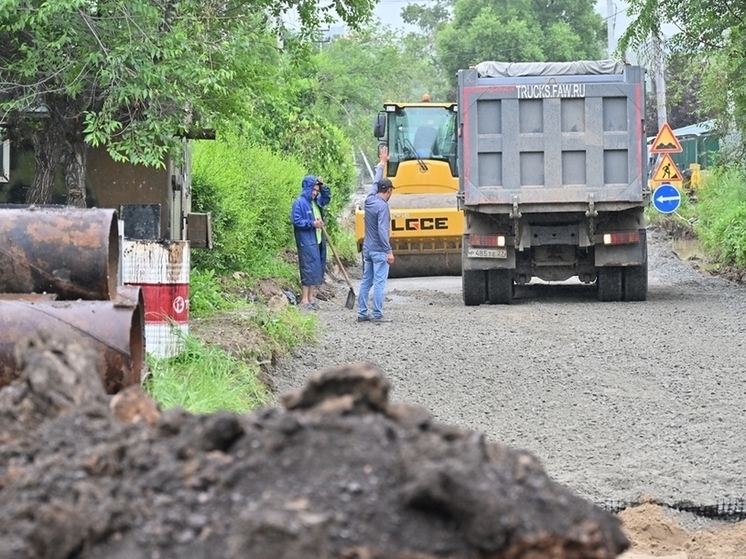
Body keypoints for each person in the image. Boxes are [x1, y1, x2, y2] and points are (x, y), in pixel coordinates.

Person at [357, 146, 395, 323]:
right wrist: (388, 251)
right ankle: (377, 314)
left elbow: (374, 182)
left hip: (367, 249)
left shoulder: (370, 199)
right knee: (379, 282)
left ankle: (362, 313)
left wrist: (382, 163)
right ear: (388, 191)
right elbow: (382, 230)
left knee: (366, 281)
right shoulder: (383, 207)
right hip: (379, 250)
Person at [291, 175, 331, 310]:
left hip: (318, 240)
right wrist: (312, 223)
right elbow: (296, 221)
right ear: (307, 188)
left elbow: (326, 198)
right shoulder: (300, 202)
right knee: (308, 268)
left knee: (316, 268)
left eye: (317, 190)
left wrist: (322, 185)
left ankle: (311, 298)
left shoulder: (316, 202)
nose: (315, 192)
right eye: (313, 189)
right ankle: (304, 300)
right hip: (306, 241)